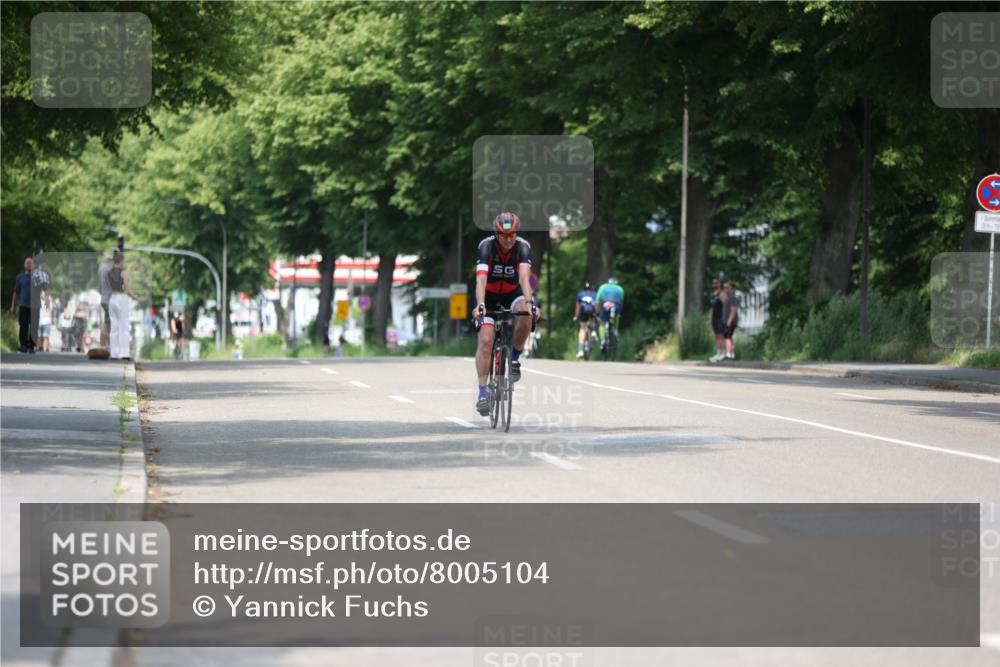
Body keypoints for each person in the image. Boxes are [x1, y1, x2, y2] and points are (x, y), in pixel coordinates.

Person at [472, 212, 538, 416]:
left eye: (512, 235)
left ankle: (515, 356)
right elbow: (481, 280)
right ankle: (483, 392)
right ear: (496, 234)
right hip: (489, 296)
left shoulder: (522, 246)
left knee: (526, 314)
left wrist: (529, 303)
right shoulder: (486, 246)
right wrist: (481, 305)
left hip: (513, 294)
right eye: (504, 235)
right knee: (486, 340)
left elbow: (525, 279)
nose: (509, 239)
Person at [107, 250, 136, 360]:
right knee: (124, 326)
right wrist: (135, 297)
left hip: (112, 299)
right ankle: (124, 353)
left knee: (114, 327)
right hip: (122, 299)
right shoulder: (124, 273)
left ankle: (114, 353)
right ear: (122, 260)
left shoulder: (109, 273)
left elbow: (110, 288)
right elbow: (126, 289)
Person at [9, 257, 35, 353]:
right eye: (27, 263)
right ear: (24, 265)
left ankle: (31, 346)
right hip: (23, 305)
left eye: (31, 263)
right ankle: (23, 345)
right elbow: (15, 293)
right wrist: (13, 306)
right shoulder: (19, 277)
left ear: (34, 265)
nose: (29, 265)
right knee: (23, 325)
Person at [595, 276, 625, 352]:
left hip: (605, 305)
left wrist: (597, 312)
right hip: (616, 305)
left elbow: (597, 301)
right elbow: (621, 302)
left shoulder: (603, 287)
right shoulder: (620, 289)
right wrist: (619, 313)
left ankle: (602, 341)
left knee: (602, 323)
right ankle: (615, 330)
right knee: (617, 316)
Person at [574, 281, 597, 359]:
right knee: (592, 319)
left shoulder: (580, 294)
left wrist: (576, 316)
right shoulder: (594, 294)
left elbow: (578, 306)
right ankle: (593, 331)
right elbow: (597, 304)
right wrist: (597, 313)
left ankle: (580, 350)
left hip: (583, 312)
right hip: (591, 311)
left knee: (582, 329)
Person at [98, 250, 113, 347]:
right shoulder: (111, 269)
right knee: (109, 325)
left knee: (107, 323)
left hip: (104, 297)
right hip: (111, 299)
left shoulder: (101, 267)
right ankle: (107, 347)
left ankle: (104, 346)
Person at [709, 275, 726, 362]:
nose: (715, 284)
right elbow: (712, 308)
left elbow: (726, 305)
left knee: (721, 335)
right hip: (714, 318)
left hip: (720, 317)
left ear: (720, 284)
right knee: (716, 336)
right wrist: (710, 318)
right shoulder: (713, 294)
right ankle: (718, 353)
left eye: (716, 283)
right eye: (713, 283)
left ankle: (723, 353)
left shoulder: (722, 294)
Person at [722, 280, 739, 360]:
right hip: (727, 321)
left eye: (727, 287)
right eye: (724, 288)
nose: (725, 289)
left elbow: (733, 310)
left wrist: (729, 320)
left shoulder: (732, 298)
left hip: (730, 322)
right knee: (730, 337)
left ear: (730, 288)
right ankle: (732, 354)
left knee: (727, 337)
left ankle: (728, 354)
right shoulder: (727, 298)